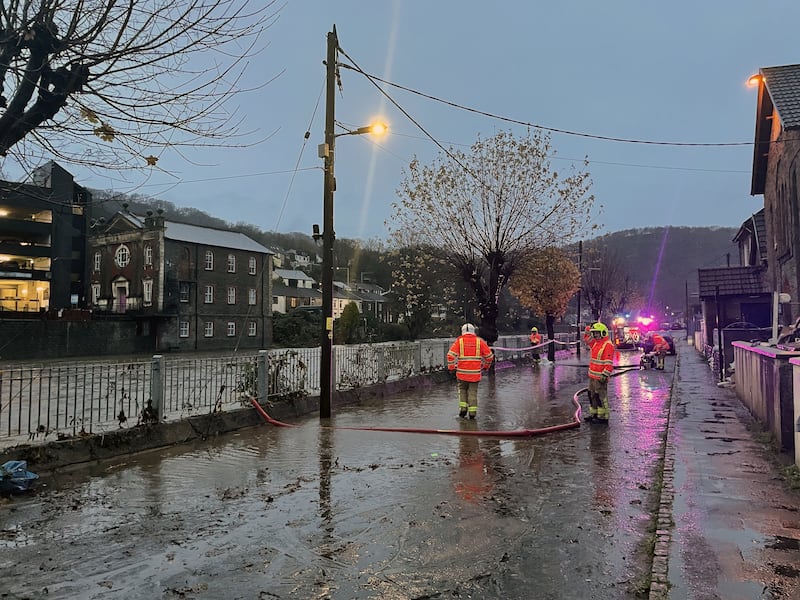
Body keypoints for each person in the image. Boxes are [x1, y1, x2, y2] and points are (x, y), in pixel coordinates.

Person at [447, 323, 494, 419]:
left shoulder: (459, 342)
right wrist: (486, 366)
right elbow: (489, 356)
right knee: (473, 392)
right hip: (475, 374)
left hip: (461, 374)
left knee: (462, 390)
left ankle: (463, 410)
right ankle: (472, 414)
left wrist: (451, 368)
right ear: (473, 331)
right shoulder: (479, 342)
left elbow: (450, 355)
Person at [582, 322, 615, 424]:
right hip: (592, 375)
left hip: (601, 376)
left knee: (600, 396)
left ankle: (603, 416)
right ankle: (594, 413)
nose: (595, 335)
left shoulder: (607, 345)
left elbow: (608, 362)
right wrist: (587, 331)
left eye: (597, 333)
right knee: (591, 395)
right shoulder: (596, 343)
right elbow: (587, 340)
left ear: (603, 333)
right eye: (594, 333)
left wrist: (605, 374)